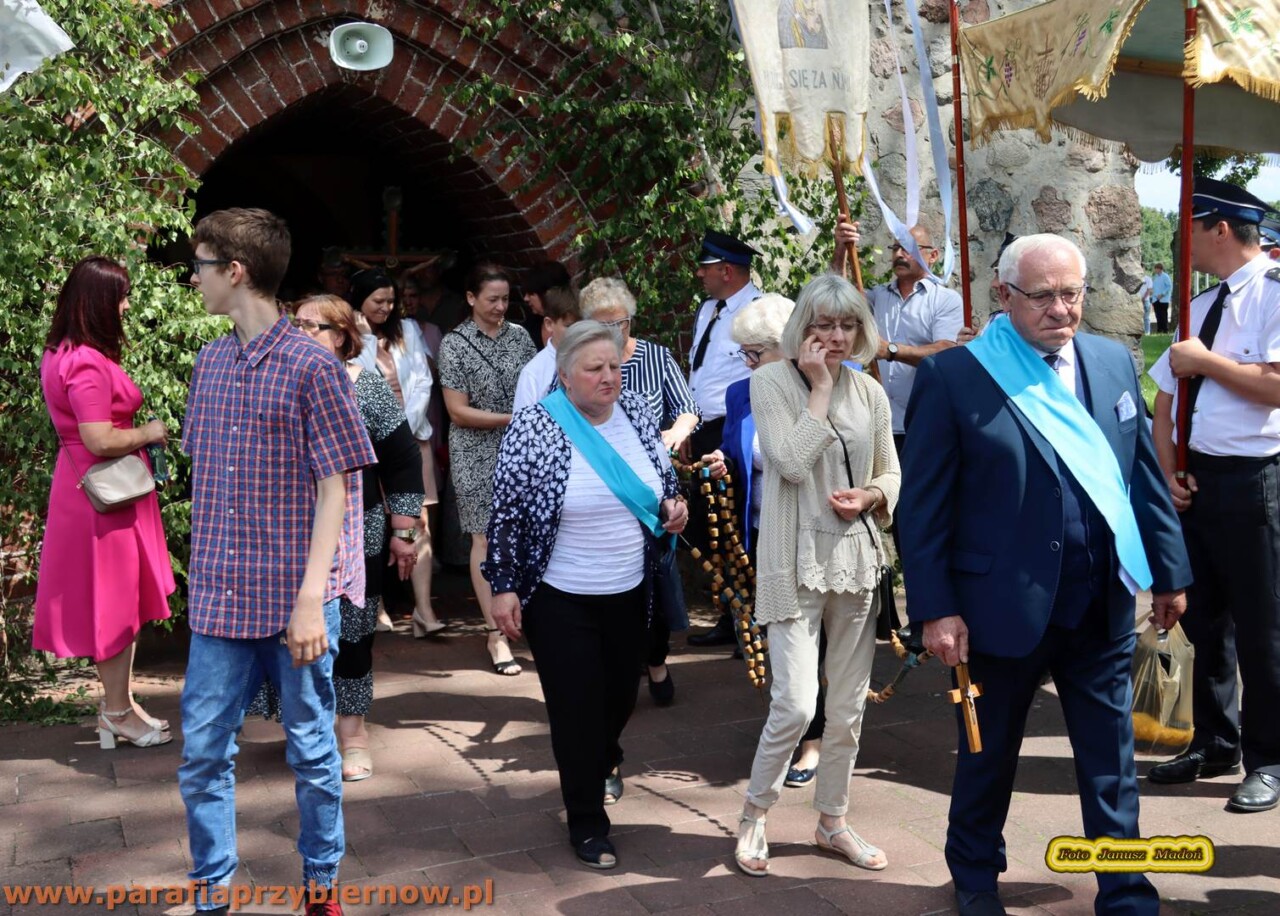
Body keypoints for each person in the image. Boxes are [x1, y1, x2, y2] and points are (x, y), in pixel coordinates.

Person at [898, 233, 1191, 916]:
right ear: (1003, 296)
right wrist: (935, 608)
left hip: (1102, 601)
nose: (1062, 309)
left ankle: (1125, 890)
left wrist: (1170, 572)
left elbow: (1141, 476)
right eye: (1044, 296)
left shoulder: (1111, 361)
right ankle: (975, 878)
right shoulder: (954, 377)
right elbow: (923, 508)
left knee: (1112, 762)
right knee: (987, 756)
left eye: (1073, 293)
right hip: (997, 608)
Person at [179, 208, 376, 916]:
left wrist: (312, 597)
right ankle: (212, 893)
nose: (193, 279)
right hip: (218, 599)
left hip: (295, 601)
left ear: (234, 272)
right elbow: (208, 476)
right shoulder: (210, 363)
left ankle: (321, 886)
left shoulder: (313, 366)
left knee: (314, 754)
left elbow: (336, 488)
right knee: (203, 756)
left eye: (200, 266)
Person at [484, 321, 687, 869]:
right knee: (575, 710)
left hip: (630, 590)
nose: (609, 377)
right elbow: (505, 514)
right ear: (565, 375)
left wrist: (674, 507)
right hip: (559, 596)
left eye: (615, 366)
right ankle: (588, 822)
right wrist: (503, 587)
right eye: (594, 368)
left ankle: (601, 755)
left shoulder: (638, 412)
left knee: (619, 700)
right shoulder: (535, 425)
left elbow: (665, 485)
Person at [734, 274, 899, 878]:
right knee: (796, 704)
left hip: (855, 562)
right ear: (802, 326)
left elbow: (891, 471)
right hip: (792, 561)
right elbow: (788, 461)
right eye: (824, 324)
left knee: (848, 708)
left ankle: (833, 820)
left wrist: (872, 496)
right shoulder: (769, 381)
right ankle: (755, 812)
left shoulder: (871, 392)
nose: (836, 336)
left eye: (848, 324)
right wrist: (822, 388)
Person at [1147, 179, 1280, 815]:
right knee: (1205, 623)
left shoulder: (1274, 295)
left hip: (1256, 480)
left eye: (1190, 227)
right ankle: (1216, 741)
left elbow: (1277, 386)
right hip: (1197, 481)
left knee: (1264, 628)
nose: (1184, 241)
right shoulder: (1200, 304)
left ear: (1219, 228)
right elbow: (1163, 401)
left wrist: (1207, 362)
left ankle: (1270, 758)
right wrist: (1169, 471)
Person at [34, 256, 175, 749]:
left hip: (92, 493)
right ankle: (116, 711)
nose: (127, 306)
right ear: (97, 302)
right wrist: (149, 432)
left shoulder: (60, 352)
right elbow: (98, 438)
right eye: (121, 297)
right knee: (114, 605)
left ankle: (121, 705)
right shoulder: (87, 363)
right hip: (105, 499)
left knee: (116, 601)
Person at [699, 294, 832, 782]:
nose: (748, 362)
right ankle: (796, 728)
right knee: (783, 642)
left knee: (816, 644)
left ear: (789, 346)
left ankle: (814, 742)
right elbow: (739, 454)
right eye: (744, 353)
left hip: (817, 536)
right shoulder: (742, 392)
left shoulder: (823, 387)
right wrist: (722, 462)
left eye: (755, 353)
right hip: (763, 535)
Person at [292, 295, 425, 782]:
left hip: (358, 532)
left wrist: (403, 531)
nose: (300, 334)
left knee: (353, 634)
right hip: (292, 535)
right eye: (296, 325)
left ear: (341, 337)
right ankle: (307, 729)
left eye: (312, 327)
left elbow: (403, 460)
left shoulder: (363, 386)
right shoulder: (282, 382)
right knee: (294, 636)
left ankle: (352, 733)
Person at [576, 276, 701, 702]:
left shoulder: (655, 356)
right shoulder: (576, 364)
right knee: (615, 585)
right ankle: (622, 665)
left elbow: (688, 408)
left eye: (620, 323)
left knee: (656, 580)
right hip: (600, 488)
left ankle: (657, 660)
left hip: (650, 487)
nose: (614, 333)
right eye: (603, 325)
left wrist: (675, 432)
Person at [438, 262, 538, 675]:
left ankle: (523, 617)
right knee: (484, 535)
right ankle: (495, 634)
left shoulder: (520, 337)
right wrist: (514, 419)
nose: (500, 307)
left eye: (505, 299)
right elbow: (457, 411)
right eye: (492, 299)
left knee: (527, 531)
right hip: (474, 450)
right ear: (470, 298)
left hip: (521, 448)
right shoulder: (454, 344)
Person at [347, 269, 442, 638]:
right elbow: (360, 376)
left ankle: (424, 609)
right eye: (378, 301)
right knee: (373, 521)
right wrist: (366, 337)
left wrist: (401, 427)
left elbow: (422, 380)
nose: (386, 308)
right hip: (367, 442)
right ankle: (376, 604)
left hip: (410, 436)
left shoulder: (409, 330)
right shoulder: (351, 335)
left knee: (418, 521)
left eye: (390, 301)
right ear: (360, 300)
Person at [862, 222, 962, 553]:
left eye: (910, 248)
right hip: (881, 426)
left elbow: (946, 352)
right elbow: (837, 298)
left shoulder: (944, 300)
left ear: (933, 256)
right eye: (896, 247)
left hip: (923, 425)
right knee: (891, 513)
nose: (900, 254)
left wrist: (891, 350)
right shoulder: (876, 296)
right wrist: (839, 249)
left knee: (921, 512)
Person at [687, 230, 764, 648]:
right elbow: (700, 372)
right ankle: (729, 612)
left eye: (706, 268)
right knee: (709, 526)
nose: (700, 275)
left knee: (736, 524)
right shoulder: (708, 310)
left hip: (736, 427)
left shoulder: (757, 311)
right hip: (702, 428)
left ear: (727, 271)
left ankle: (752, 620)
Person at [512, 285, 581, 410]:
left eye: (582, 325)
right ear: (549, 324)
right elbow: (523, 420)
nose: (579, 332)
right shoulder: (533, 373)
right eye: (569, 326)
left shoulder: (599, 361)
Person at [519, 260, 572, 347]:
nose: (526, 298)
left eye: (531, 293)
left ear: (547, 294)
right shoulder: (530, 327)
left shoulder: (577, 321)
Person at [1150, 262, 1173, 334]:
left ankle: (1165, 329)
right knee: (1158, 315)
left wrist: (1162, 294)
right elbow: (1153, 287)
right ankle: (1159, 329)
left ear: (1160, 269)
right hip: (1155, 299)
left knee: (1163, 315)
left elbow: (1169, 286)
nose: (1155, 270)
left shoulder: (1165, 276)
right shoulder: (1155, 277)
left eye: (1156, 269)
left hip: (1163, 299)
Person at [1138, 270, 1154, 335]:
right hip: (1137, 300)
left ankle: (1147, 332)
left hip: (1145, 300)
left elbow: (1149, 290)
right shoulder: (1136, 278)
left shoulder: (1148, 279)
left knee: (1146, 317)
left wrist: (1144, 298)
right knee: (1138, 317)